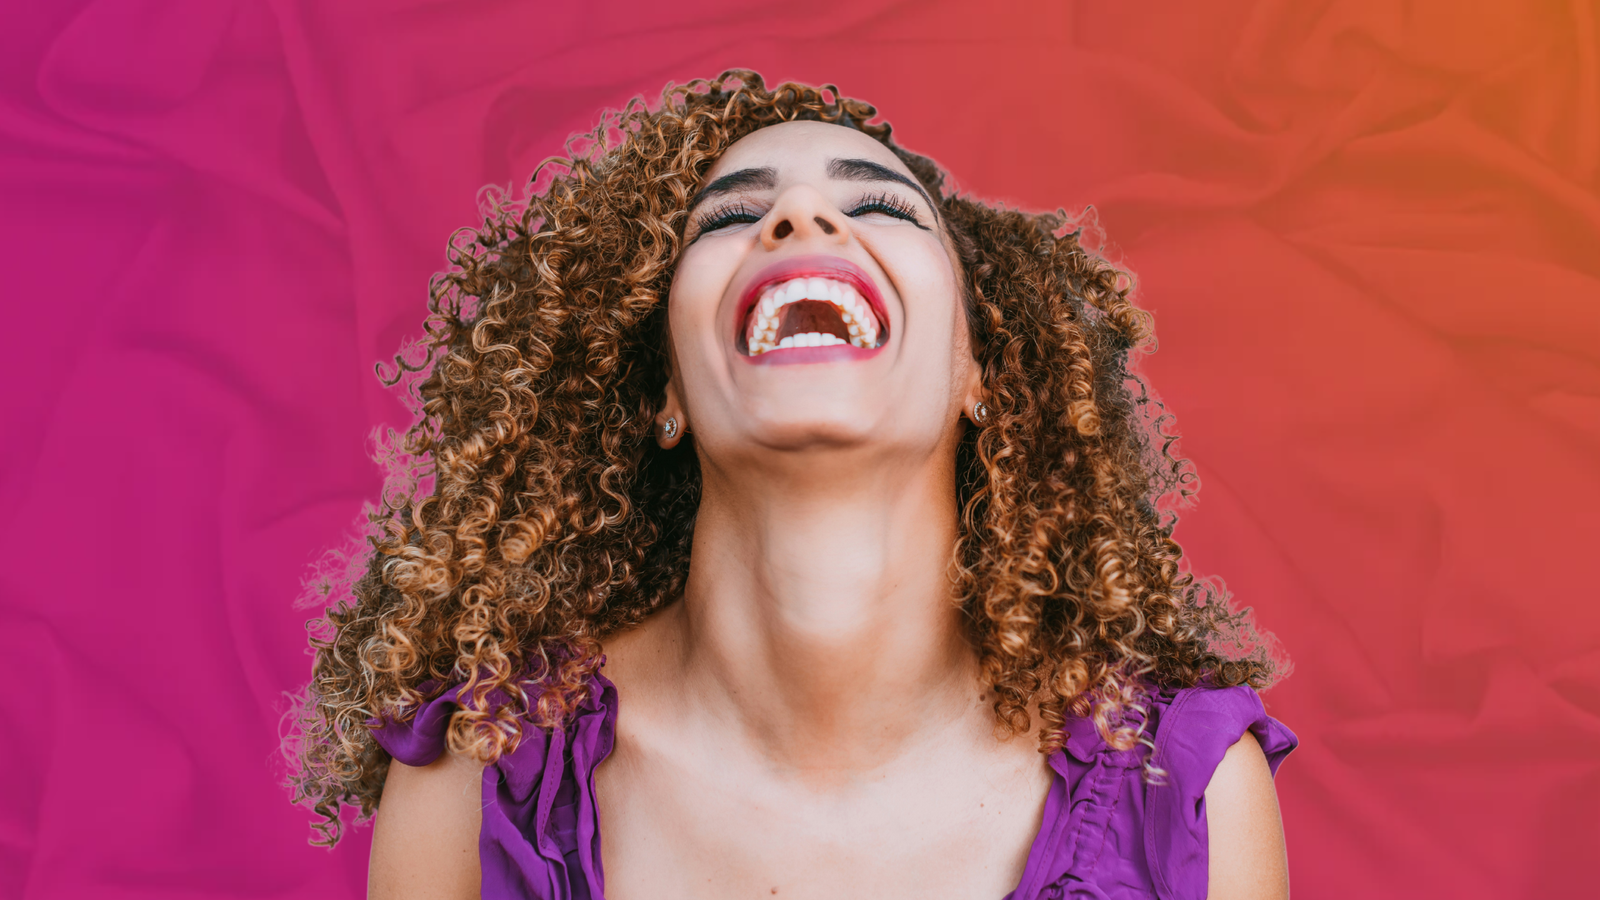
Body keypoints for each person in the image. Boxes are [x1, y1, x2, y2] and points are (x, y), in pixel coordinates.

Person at [289, 70, 1295, 900]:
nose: (802, 215)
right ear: (664, 392)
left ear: (979, 372)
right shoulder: (479, 771)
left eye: (875, 203)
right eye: (731, 214)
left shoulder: (1189, 795)